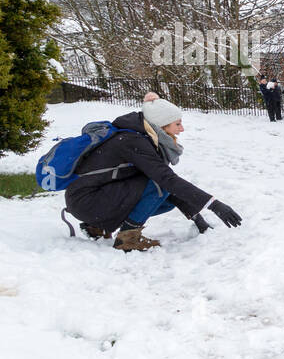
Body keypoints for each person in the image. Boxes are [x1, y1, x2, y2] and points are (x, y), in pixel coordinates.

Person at [64, 95, 242, 251]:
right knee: (158, 186)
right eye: (177, 124)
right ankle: (128, 239)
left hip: (89, 198)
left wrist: (197, 217)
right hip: (86, 201)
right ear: (161, 126)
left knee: (164, 200)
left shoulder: (141, 136)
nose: (182, 129)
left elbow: (169, 184)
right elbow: (166, 180)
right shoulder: (133, 141)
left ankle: (97, 226)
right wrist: (214, 204)